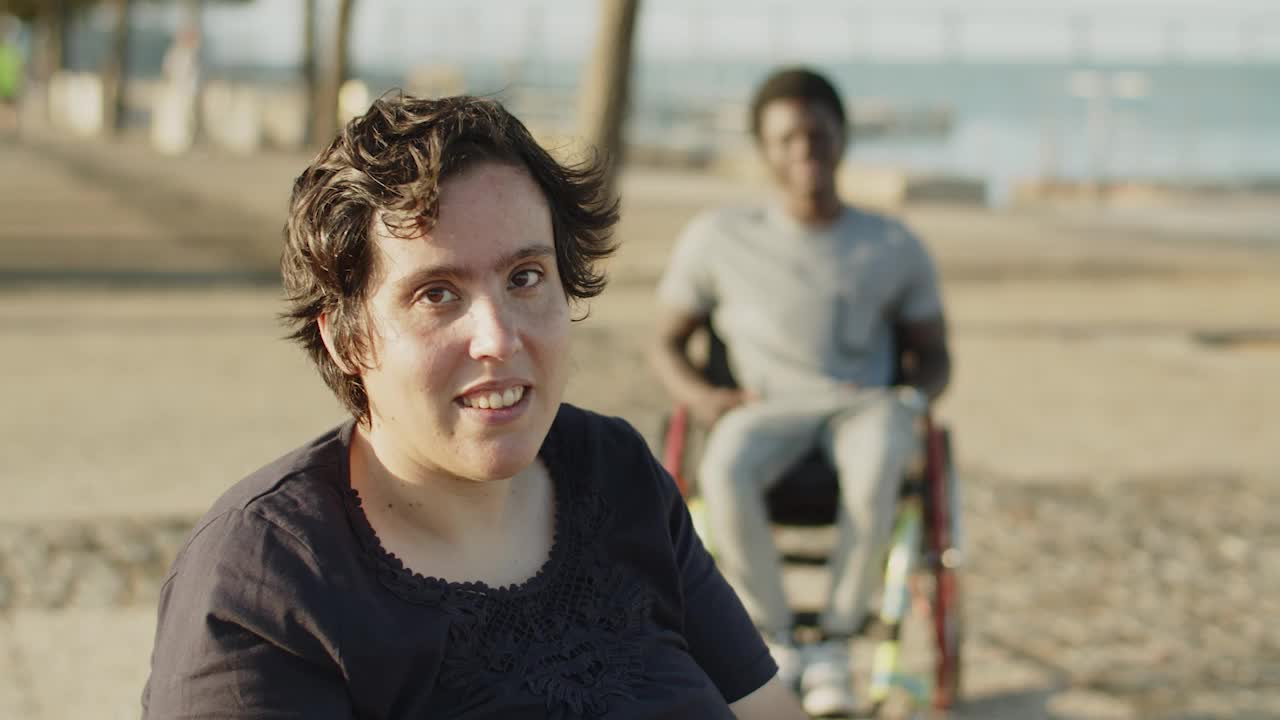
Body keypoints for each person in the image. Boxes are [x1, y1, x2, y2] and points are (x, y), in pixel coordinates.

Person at [142, 94, 807, 719]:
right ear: (343, 336)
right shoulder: (268, 583)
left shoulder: (617, 474)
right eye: (437, 294)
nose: (498, 337)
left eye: (525, 277)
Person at [651, 67, 951, 717]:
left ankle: (838, 643)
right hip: (763, 404)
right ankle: (779, 641)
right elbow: (666, 343)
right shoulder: (717, 237)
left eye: (817, 134)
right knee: (723, 467)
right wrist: (702, 400)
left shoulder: (893, 243)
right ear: (765, 148)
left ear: (842, 137)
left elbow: (935, 356)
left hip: (862, 404)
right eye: (787, 138)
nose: (804, 150)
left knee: (879, 463)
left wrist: (912, 399)